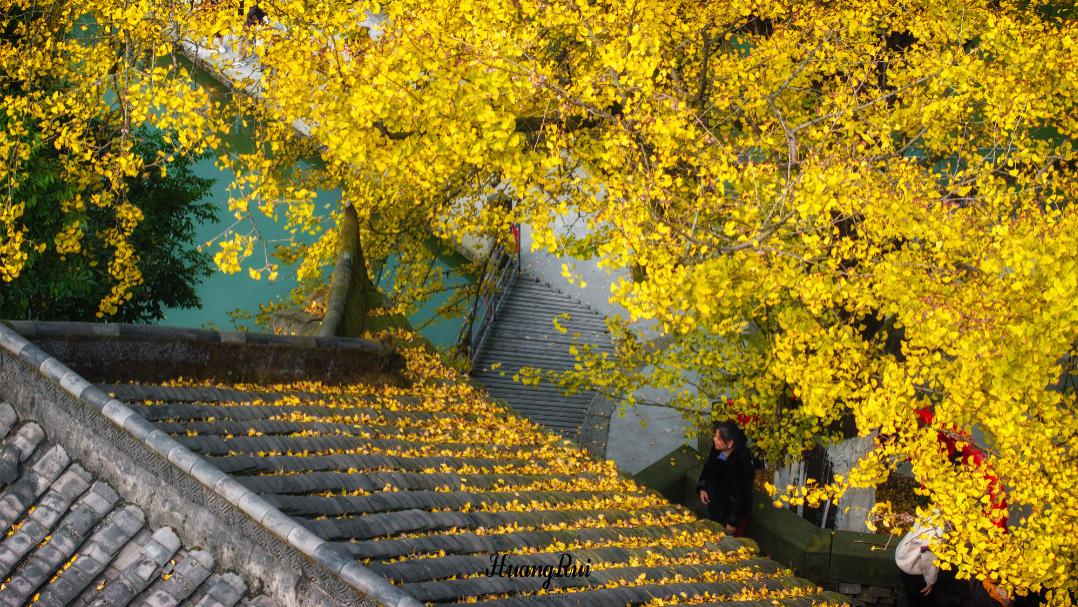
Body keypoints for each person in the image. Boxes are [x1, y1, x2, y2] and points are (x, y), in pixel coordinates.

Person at [697, 420, 754, 536]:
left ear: (729, 443)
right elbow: (708, 469)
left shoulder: (741, 464)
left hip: (731, 515)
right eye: (715, 436)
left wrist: (732, 523)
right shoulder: (716, 450)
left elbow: (743, 497)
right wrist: (703, 487)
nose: (714, 440)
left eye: (718, 438)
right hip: (716, 509)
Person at [895, 517, 944, 607]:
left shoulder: (933, 513)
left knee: (913, 597)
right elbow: (929, 558)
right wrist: (930, 581)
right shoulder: (936, 532)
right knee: (922, 601)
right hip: (914, 569)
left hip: (906, 559)